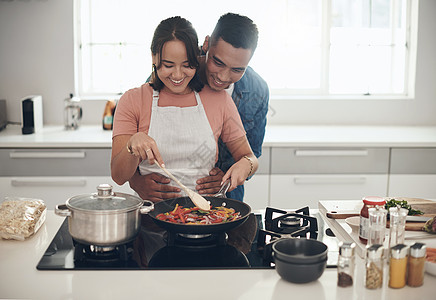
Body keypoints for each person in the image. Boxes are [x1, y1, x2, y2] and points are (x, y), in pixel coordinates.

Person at [128, 13, 269, 202]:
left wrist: (228, 177)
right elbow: (134, 145)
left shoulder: (258, 91)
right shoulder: (172, 78)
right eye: (218, 62)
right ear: (206, 45)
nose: (224, 77)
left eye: (237, 69)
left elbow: (252, 155)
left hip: (226, 197)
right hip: (165, 199)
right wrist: (136, 181)